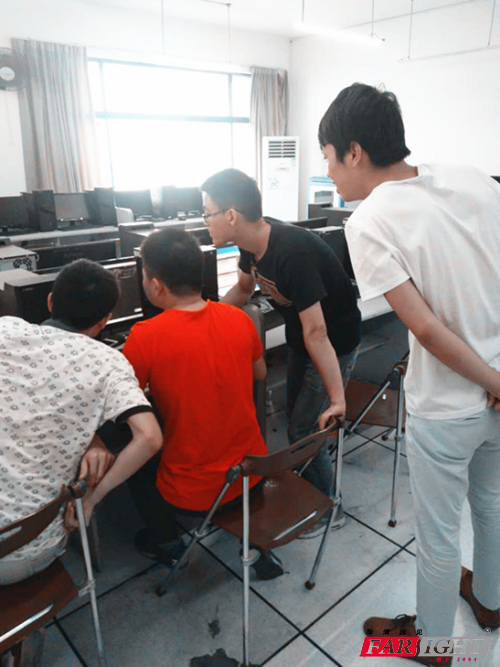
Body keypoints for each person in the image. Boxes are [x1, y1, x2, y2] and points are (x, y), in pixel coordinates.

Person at [319, 83, 500, 661]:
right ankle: (491, 601)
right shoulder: (472, 177)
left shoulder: (369, 219)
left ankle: (435, 644)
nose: (329, 174)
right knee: (492, 506)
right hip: (498, 394)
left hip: (449, 406)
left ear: (354, 152)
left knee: (440, 536)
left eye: (328, 158)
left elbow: (423, 328)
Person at [200, 168, 361, 535]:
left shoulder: (291, 252)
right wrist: (204, 320)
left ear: (231, 215)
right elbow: (243, 290)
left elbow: (318, 332)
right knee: (297, 424)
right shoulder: (251, 243)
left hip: (333, 345)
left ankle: (330, 510)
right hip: (301, 341)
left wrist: (338, 400)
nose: (204, 221)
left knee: (305, 429)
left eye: (207, 213)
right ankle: (310, 492)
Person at [122, 228, 282, 579]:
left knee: (134, 452)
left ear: (155, 285)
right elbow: (259, 373)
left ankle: (169, 543)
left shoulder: (144, 336)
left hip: (191, 494)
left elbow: (125, 399)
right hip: (250, 474)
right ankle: (254, 541)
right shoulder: (239, 318)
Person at [0, 259, 163, 586]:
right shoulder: (109, 362)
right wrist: (90, 499)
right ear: (105, 320)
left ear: (50, 301)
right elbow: (149, 437)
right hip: (27, 552)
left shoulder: (6, 329)